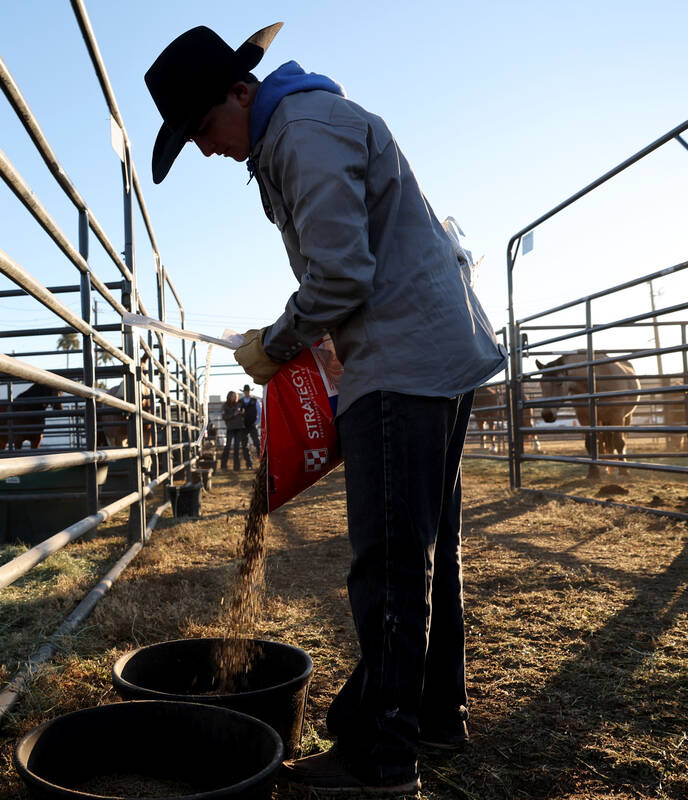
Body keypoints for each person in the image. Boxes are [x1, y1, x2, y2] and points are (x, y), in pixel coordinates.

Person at [145, 22, 506, 796]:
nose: (206, 149)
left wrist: (278, 341)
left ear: (240, 93)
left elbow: (340, 277)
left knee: (387, 561)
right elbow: (351, 267)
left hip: (404, 360)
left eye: (203, 127)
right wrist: (291, 335)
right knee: (426, 549)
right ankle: (436, 712)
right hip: (435, 346)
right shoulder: (306, 128)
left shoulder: (302, 135)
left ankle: (382, 758)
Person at [218, 391, 249, 470]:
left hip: (238, 428)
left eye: (235, 396)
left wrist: (242, 413)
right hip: (230, 428)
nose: (234, 397)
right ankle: (223, 466)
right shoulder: (225, 405)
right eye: (232, 396)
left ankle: (237, 467)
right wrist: (233, 415)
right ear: (229, 396)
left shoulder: (239, 404)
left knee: (237, 447)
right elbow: (224, 417)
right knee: (227, 446)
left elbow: (244, 414)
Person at [240, 384, 260, 455]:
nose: (247, 393)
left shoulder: (255, 401)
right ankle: (248, 463)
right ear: (244, 392)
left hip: (252, 424)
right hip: (243, 425)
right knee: (244, 444)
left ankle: (261, 459)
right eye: (245, 391)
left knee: (256, 442)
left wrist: (256, 422)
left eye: (248, 391)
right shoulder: (240, 401)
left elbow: (259, 412)